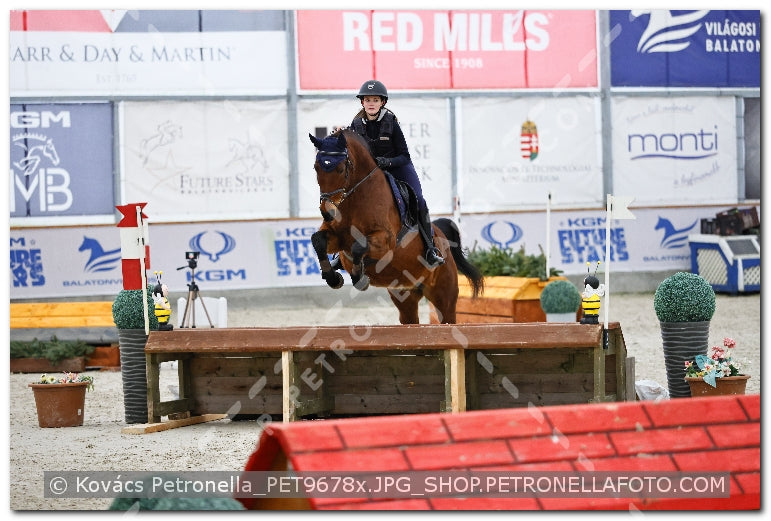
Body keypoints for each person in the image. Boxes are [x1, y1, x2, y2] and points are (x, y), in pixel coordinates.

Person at [347, 79, 444, 268]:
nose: (371, 104)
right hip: (371, 173)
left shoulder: (391, 122)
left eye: (375, 100)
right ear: (362, 102)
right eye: (368, 100)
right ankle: (339, 253)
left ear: (382, 102)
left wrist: (387, 162)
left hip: (397, 167)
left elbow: (404, 155)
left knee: (419, 200)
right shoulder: (356, 124)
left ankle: (430, 249)